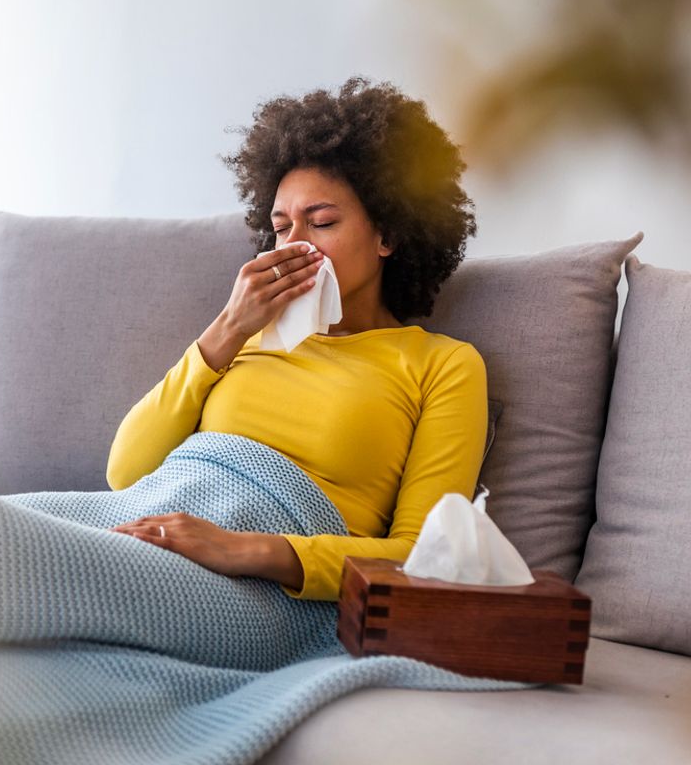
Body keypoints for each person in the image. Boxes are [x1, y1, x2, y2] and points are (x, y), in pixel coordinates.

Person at [105, 76, 488, 603]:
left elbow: (423, 555)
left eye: (322, 221)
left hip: (255, 588)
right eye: (282, 227)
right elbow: (125, 474)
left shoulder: (441, 364)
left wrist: (245, 550)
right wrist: (230, 326)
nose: (295, 245)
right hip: (142, 528)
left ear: (389, 234)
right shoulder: (244, 335)